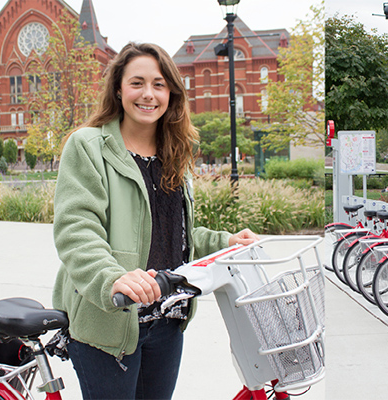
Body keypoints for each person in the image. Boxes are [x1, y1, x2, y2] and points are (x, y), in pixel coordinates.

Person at [52, 42, 259, 400]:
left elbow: (174, 234)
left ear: (171, 93)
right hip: (110, 319)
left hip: (168, 317)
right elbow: (77, 229)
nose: (148, 94)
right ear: (118, 88)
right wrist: (112, 277)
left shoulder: (174, 151)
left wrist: (224, 242)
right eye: (137, 83)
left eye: (159, 84)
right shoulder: (87, 146)